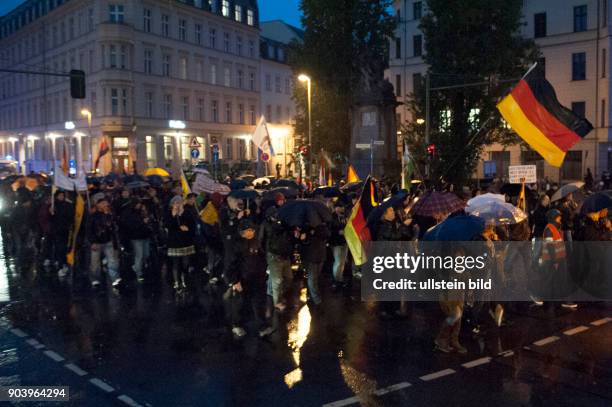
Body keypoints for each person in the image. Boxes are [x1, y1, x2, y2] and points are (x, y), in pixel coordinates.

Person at [223, 219, 270, 338]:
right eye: (248, 230)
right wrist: (235, 280)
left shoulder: (256, 242)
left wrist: (265, 271)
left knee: (258, 302)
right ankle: (237, 325)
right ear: (242, 232)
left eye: (252, 230)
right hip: (242, 280)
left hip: (257, 278)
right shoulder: (236, 245)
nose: (251, 232)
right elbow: (231, 264)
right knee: (240, 304)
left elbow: (261, 257)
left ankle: (262, 327)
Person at [260, 193, 293, 312]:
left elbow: (288, 237)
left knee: (288, 277)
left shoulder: (283, 224)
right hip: (274, 255)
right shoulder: (266, 225)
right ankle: (277, 301)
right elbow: (261, 240)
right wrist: (266, 254)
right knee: (277, 280)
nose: (276, 218)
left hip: (284, 254)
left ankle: (274, 292)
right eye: (274, 216)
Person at [89, 197, 121, 289]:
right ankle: (95, 279)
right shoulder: (93, 216)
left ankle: (115, 278)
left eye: (106, 204)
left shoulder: (110, 215)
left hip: (108, 241)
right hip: (97, 242)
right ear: (98, 205)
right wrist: (92, 242)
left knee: (112, 261)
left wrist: (109, 216)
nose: (105, 205)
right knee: (95, 263)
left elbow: (114, 227)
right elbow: (89, 230)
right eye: (103, 203)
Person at [165, 195, 196, 292]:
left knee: (185, 262)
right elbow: (167, 225)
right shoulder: (169, 213)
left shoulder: (187, 212)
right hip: (174, 242)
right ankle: (176, 281)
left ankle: (184, 279)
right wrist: (174, 216)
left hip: (185, 241)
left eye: (179, 202)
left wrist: (188, 228)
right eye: (175, 203)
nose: (177, 205)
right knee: (176, 263)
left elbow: (192, 225)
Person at [121, 200, 153, 282]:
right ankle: (139, 273)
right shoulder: (130, 214)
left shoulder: (143, 212)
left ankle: (137, 266)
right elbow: (131, 225)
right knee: (139, 255)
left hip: (145, 236)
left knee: (146, 254)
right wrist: (142, 222)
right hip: (136, 237)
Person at [299, 223, 330, 306]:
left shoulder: (323, 225)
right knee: (312, 279)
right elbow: (303, 241)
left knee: (315, 277)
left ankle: (311, 295)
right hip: (311, 257)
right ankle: (316, 299)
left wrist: (315, 231)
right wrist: (304, 237)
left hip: (320, 255)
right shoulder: (305, 226)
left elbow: (327, 234)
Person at [49, 190, 74, 276]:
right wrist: (51, 213)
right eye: (59, 196)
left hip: (65, 229)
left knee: (64, 247)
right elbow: (50, 218)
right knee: (60, 247)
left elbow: (70, 216)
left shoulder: (67, 205)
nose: (61, 197)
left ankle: (63, 262)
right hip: (56, 230)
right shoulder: (53, 205)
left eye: (62, 196)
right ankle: (61, 264)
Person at [329, 201, 348, 290]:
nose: (342, 209)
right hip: (336, 242)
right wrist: (338, 232)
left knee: (342, 262)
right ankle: (336, 280)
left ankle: (339, 279)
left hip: (344, 241)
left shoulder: (344, 216)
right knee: (338, 262)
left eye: (343, 207)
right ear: (336, 208)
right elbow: (329, 231)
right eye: (340, 207)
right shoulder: (331, 217)